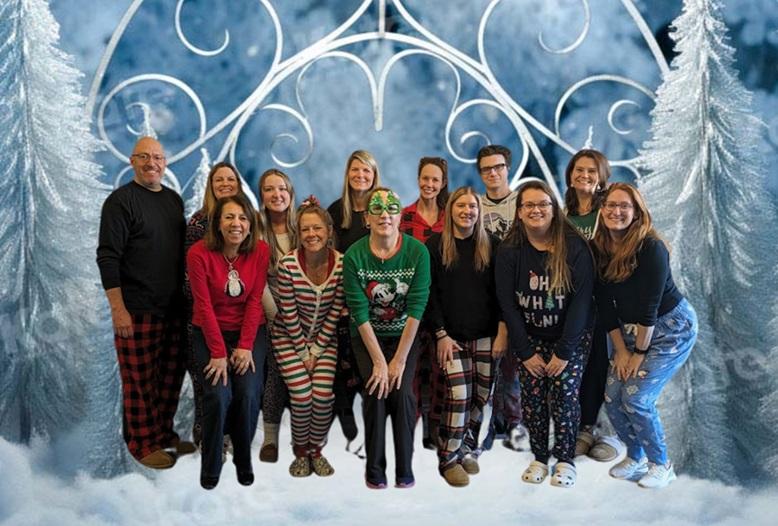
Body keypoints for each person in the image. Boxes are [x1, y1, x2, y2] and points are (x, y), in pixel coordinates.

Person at [97, 136, 194, 469]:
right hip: (136, 309)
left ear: (165, 163)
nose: (152, 163)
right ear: (132, 161)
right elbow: (108, 256)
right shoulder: (120, 202)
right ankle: (141, 444)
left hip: (174, 310)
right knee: (139, 381)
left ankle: (162, 433)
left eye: (158, 157)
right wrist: (118, 308)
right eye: (144, 157)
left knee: (169, 378)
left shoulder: (173, 201)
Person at [592, 183, 697, 489]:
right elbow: (604, 305)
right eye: (611, 205)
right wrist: (621, 351)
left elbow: (650, 307)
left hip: (670, 329)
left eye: (625, 206)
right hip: (628, 332)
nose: (617, 211)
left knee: (636, 398)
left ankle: (662, 464)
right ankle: (635, 455)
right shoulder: (598, 248)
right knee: (612, 396)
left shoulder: (651, 247)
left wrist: (637, 353)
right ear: (602, 209)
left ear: (637, 212)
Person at [495, 180, 594, 488]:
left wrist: (564, 352)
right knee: (534, 400)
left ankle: (565, 460)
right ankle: (539, 457)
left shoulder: (575, 246)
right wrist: (525, 352)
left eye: (543, 204)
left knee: (564, 397)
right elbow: (507, 304)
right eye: (529, 205)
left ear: (554, 209)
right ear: (519, 212)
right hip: (530, 338)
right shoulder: (510, 250)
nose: (536, 210)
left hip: (570, 337)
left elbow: (582, 302)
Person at [343, 187, 430, 489]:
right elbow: (359, 312)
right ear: (366, 218)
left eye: (391, 208)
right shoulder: (354, 255)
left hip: (405, 336)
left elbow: (417, 307)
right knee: (376, 392)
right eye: (377, 209)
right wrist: (380, 362)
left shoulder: (417, 252)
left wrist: (399, 360)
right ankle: (374, 470)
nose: (385, 214)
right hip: (367, 337)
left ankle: (404, 469)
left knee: (403, 394)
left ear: (400, 216)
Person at [425, 186, 507, 486]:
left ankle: (467, 449)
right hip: (451, 337)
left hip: (487, 335)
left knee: (481, 397)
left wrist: (502, 331)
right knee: (459, 395)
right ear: (450, 211)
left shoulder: (493, 245)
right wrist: (440, 334)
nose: (467, 211)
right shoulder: (434, 246)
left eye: (472, 206)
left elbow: (503, 295)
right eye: (461, 206)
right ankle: (448, 458)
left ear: (479, 210)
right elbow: (428, 295)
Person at [187, 194, 270, 489]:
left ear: (250, 225)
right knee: (217, 395)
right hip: (209, 332)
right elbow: (203, 305)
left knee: (248, 392)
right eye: (229, 217)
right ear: (218, 224)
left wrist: (246, 345)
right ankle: (210, 466)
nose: (237, 223)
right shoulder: (198, 253)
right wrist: (219, 352)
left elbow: (255, 301)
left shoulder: (260, 251)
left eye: (243, 218)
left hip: (249, 331)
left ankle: (243, 458)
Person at [271, 201, 345, 477]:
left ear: (328, 230)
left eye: (317, 228)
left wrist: (316, 350)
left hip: (324, 341)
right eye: (305, 229)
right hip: (289, 339)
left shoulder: (341, 263)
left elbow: (336, 309)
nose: (311, 234)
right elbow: (288, 313)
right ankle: (300, 451)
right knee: (302, 397)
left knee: (323, 396)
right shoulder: (288, 264)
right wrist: (304, 354)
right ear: (298, 233)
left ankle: (317, 449)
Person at [563, 149, 620, 462]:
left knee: (607, 365)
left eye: (591, 171)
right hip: (576, 306)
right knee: (584, 367)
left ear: (601, 177)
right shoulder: (564, 215)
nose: (584, 176)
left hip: (608, 303)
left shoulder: (609, 210)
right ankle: (585, 428)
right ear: (570, 175)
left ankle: (610, 430)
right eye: (579, 170)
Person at [184, 161, 246, 446]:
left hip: (238, 315)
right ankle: (208, 438)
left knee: (237, 379)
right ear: (210, 186)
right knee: (208, 380)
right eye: (218, 180)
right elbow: (190, 280)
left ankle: (231, 434)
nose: (225, 184)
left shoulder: (245, 220)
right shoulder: (199, 224)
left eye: (230, 179)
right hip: (203, 315)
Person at [327, 150, 382, 444]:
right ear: (347, 175)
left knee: (368, 362)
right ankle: (345, 417)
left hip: (376, 298)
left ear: (374, 176)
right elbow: (327, 257)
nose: (360, 176)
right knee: (341, 360)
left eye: (367, 171)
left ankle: (372, 423)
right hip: (342, 297)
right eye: (355, 170)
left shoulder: (381, 210)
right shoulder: (336, 212)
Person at [476, 144, 524, 451]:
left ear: (508, 167)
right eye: (486, 169)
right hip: (484, 295)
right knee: (487, 362)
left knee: (514, 364)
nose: (493, 173)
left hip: (520, 294)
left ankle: (516, 423)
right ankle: (488, 425)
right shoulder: (473, 205)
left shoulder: (523, 202)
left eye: (498, 167)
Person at [400, 156, 448, 450]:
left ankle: (436, 429)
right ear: (418, 179)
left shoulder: (450, 217)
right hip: (412, 302)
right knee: (415, 368)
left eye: (435, 180)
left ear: (443, 183)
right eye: (425, 178)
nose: (429, 184)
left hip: (444, 302)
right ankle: (410, 427)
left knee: (440, 368)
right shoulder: (404, 217)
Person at [257, 168, 298, 463]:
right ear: (262, 196)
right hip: (271, 313)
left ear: (290, 192)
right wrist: (276, 317)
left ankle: (307, 441)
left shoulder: (304, 224)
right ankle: (270, 439)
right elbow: (255, 279)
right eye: (269, 189)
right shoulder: (257, 229)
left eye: (281, 188)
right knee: (275, 374)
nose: (276, 194)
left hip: (308, 311)